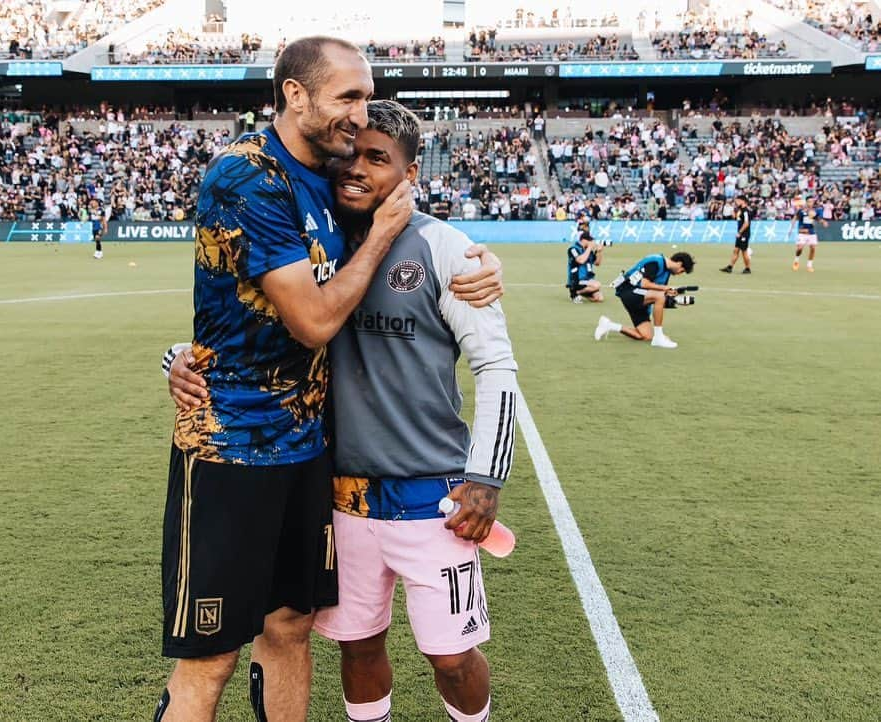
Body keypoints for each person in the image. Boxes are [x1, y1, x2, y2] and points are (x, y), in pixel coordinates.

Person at [153, 39, 502, 722]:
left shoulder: (329, 180)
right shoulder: (244, 175)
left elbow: (407, 252)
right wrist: (180, 358)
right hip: (231, 452)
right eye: (347, 97)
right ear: (294, 94)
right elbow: (313, 319)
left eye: (365, 98)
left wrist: (478, 264)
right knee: (211, 658)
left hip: (309, 456)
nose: (358, 113)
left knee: (288, 629)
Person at [593, 251, 695, 349]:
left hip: (639, 298)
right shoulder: (656, 261)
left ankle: (609, 325)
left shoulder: (666, 273)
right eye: (682, 271)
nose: (679, 273)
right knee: (660, 296)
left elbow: (658, 298)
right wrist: (665, 289)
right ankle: (659, 338)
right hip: (629, 292)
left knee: (645, 336)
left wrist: (677, 300)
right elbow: (644, 284)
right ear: (679, 263)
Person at [567, 214, 604, 302]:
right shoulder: (573, 249)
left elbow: (597, 263)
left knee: (599, 298)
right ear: (584, 240)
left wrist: (599, 252)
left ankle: (580, 293)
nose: (592, 242)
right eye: (590, 241)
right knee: (597, 285)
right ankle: (575, 293)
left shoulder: (588, 251)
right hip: (577, 280)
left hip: (587, 280)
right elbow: (581, 260)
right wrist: (590, 248)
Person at [792, 196, 827, 272]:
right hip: (802, 232)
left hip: (812, 233)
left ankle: (809, 265)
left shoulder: (816, 210)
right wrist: (791, 228)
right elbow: (795, 217)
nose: (810, 203)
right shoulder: (801, 210)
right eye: (809, 201)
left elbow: (818, 219)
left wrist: (823, 222)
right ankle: (796, 260)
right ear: (806, 202)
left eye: (812, 201)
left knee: (813, 248)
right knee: (800, 248)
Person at [720, 196, 751, 274]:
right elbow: (737, 219)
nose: (736, 202)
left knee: (744, 252)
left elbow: (746, 223)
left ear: (742, 201)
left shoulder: (746, 211)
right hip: (740, 234)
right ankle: (730, 267)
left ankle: (747, 268)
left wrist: (740, 232)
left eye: (737, 201)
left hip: (744, 234)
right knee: (736, 250)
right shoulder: (740, 210)